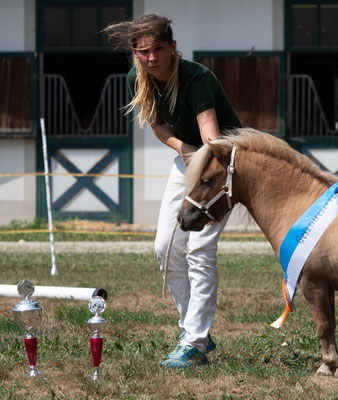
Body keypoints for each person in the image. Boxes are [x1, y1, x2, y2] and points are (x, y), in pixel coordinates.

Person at [104, 14, 241, 368]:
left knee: (199, 248)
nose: (151, 58)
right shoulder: (139, 78)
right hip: (188, 160)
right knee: (165, 247)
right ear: (135, 54)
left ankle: (193, 341)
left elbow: (212, 138)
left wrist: (203, 162)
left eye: (158, 49)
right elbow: (159, 127)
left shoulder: (197, 79)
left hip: (219, 166)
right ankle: (194, 331)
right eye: (143, 51)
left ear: (173, 47)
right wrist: (183, 150)